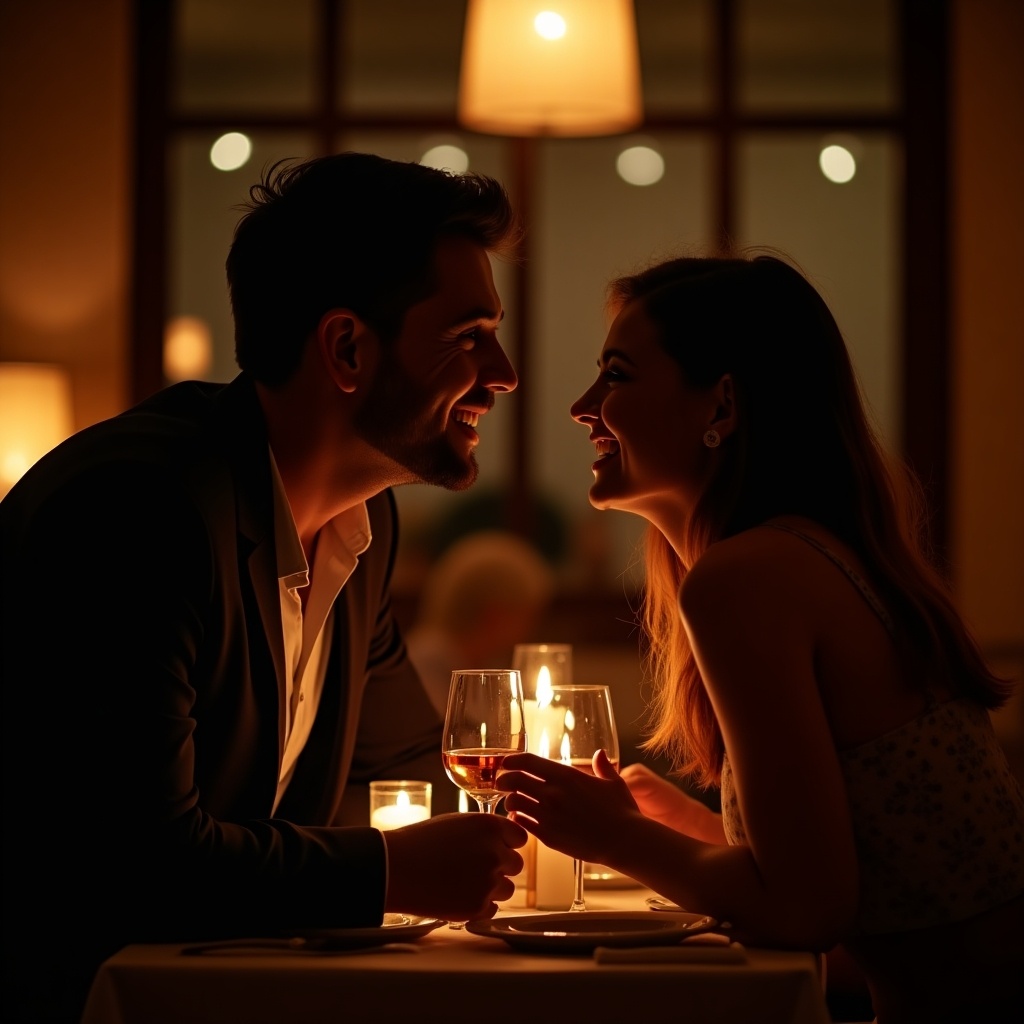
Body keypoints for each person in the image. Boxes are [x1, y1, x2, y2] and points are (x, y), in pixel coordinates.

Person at [0, 151, 528, 1024]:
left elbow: (399, 767)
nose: (504, 372)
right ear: (347, 348)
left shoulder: (366, 525)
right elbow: (139, 863)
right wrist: (396, 873)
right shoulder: (139, 512)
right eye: (469, 336)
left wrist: (581, 807)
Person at [497, 251, 1024, 1023]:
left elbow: (807, 911)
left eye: (616, 374)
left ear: (722, 407)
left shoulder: (747, 578)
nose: (584, 405)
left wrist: (614, 838)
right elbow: (858, 873)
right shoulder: (807, 553)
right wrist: (685, 827)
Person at [405, 529, 555, 718]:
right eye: (526, 616)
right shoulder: (421, 667)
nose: (531, 629)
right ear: (495, 615)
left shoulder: (481, 665)